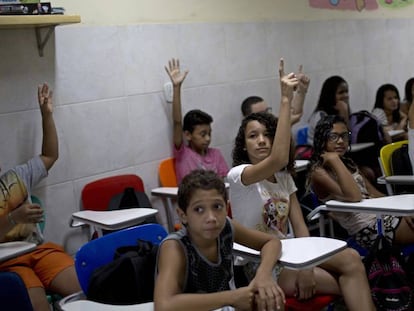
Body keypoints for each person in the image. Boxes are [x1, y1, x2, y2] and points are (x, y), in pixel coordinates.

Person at [227, 60, 375, 310]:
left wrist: (307, 266)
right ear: (243, 145)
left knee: (351, 259)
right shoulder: (238, 175)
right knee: (342, 283)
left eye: (267, 135)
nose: (261, 141)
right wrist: (285, 98)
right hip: (261, 263)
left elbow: (300, 226)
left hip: (293, 253)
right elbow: (279, 157)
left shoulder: (283, 178)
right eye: (253, 136)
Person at [154, 169, 285, 311]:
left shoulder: (226, 227)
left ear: (226, 207)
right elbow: (163, 305)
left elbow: (271, 242)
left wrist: (263, 275)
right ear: (183, 215)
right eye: (199, 209)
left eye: (217, 207)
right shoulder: (174, 247)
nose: (211, 217)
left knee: (271, 300)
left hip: (223, 306)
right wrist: (232, 297)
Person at [0, 83, 81, 311]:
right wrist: (14, 218)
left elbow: (50, 155)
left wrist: (46, 115)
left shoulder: (16, 176)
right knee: (35, 306)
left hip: (37, 250)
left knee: (86, 291)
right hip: (8, 265)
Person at [308, 114, 414, 250]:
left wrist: (401, 212)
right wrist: (334, 161)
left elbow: (374, 193)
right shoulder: (318, 172)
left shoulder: (348, 163)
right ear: (322, 139)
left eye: (344, 136)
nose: (340, 141)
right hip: (368, 230)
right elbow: (354, 196)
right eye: (333, 136)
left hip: (382, 217)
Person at [165, 58, 229, 184]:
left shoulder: (216, 154)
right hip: (191, 202)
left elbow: (222, 187)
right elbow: (177, 122)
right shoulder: (183, 154)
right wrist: (176, 87)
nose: (207, 139)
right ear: (188, 135)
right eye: (202, 134)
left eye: (209, 134)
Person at [241, 65, 310, 126]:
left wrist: (301, 90)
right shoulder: (244, 138)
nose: (266, 117)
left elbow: (294, 114)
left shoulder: (271, 126)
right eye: (260, 115)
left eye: (267, 111)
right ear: (247, 119)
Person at [307, 75, 351, 146]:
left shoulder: (341, 112)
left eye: (346, 91)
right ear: (330, 95)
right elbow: (333, 142)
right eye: (341, 92)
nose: (346, 95)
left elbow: (348, 140)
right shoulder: (320, 116)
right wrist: (344, 115)